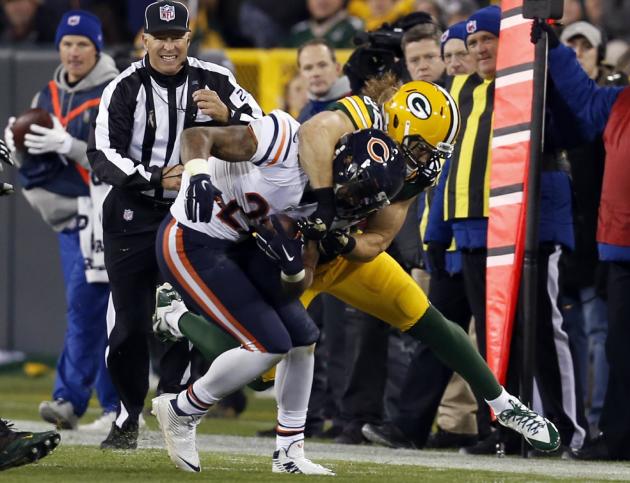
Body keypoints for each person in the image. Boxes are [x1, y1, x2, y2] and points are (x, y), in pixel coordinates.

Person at [156, 80, 562, 463]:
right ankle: (177, 317)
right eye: (423, 148)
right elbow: (314, 134)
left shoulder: (409, 177)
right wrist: (324, 211)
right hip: (296, 243)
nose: (426, 160)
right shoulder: (358, 117)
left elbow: (379, 239)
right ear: (400, 127)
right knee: (259, 365)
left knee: (424, 316)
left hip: (340, 251)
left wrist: (343, 241)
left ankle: (503, 404)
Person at [86, 0, 263, 450]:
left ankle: (172, 405)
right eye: (159, 37)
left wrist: (228, 118)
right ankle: (127, 414)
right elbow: (102, 152)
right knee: (129, 325)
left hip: (191, 215)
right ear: (144, 39)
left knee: (181, 319)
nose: (168, 46)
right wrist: (150, 177)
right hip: (132, 214)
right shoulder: (124, 87)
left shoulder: (217, 81)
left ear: (188, 37)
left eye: (176, 37)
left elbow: (265, 133)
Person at [425, 5, 585, 454]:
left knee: (541, 332)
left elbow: (568, 135)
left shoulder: (533, 82)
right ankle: (505, 431)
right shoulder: (460, 91)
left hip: (525, 226)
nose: (477, 50)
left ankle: (564, 431)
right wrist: (439, 231)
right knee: (492, 338)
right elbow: (449, 167)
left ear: (507, 42)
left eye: (486, 40)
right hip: (474, 228)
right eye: (471, 43)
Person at [3, 10, 120, 431]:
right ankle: (83, 402)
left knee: (106, 311)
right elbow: (34, 158)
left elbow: (119, 158)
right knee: (86, 309)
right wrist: (18, 148)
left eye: (82, 44)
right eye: (67, 44)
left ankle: (101, 403)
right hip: (73, 218)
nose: (73, 52)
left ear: (97, 47)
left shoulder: (115, 91)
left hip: (111, 212)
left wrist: (70, 145)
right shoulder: (46, 95)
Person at [537, 18, 630, 461]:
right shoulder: (618, 102)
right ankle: (617, 437)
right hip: (619, 247)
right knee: (618, 347)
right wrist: (554, 47)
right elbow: (581, 98)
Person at [296, 39, 352, 122]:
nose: (315, 73)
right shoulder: (303, 114)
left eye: (322, 65)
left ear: (337, 68)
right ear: (301, 74)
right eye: (308, 68)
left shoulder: (358, 104)